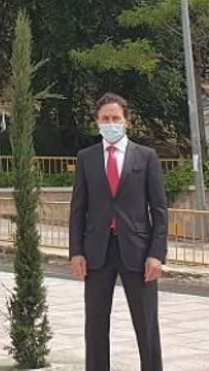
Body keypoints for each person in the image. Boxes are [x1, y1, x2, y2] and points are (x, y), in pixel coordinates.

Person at [69, 93, 167, 371]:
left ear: (126, 122)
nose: (110, 123)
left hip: (138, 252)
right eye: (105, 119)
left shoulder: (146, 157)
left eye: (116, 118)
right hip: (97, 251)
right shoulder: (86, 158)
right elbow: (78, 208)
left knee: (146, 323)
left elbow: (159, 210)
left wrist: (157, 254)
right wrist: (76, 251)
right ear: (97, 122)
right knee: (95, 325)